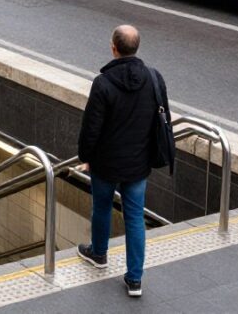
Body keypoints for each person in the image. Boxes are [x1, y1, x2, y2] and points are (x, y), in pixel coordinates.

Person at [76, 25, 170, 299]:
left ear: (113, 48)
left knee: (102, 208)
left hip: (106, 163)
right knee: (135, 218)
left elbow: (91, 128)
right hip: (138, 163)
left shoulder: (103, 83)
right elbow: (161, 119)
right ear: (136, 47)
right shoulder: (154, 78)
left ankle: (99, 253)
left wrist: (86, 157)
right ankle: (135, 279)